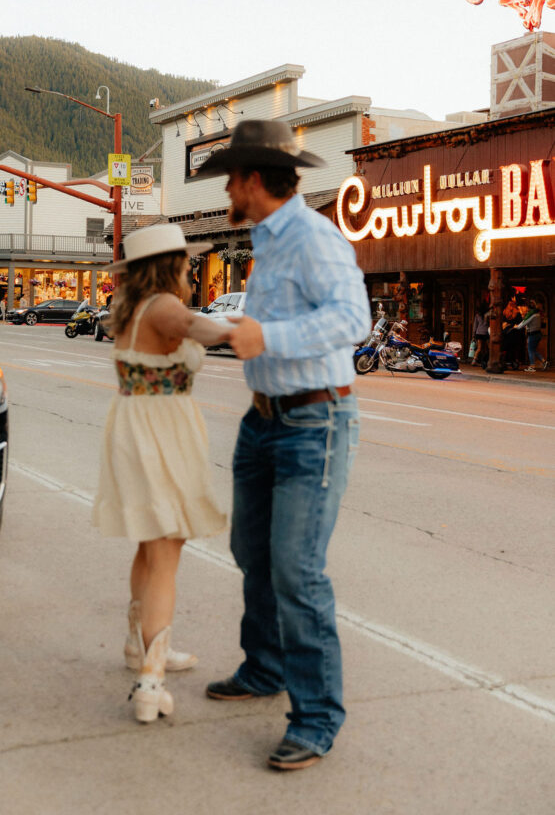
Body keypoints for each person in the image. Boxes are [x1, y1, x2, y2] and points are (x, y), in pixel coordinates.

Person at [196, 119, 371, 772]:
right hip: (264, 420)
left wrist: (266, 339)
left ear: (250, 179)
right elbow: (282, 318)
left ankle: (316, 717)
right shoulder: (267, 241)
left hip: (312, 424)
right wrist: (232, 329)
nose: (225, 193)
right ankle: (264, 668)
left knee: (296, 570)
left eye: (228, 181)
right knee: (251, 551)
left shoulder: (311, 236)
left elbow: (353, 320)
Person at [92, 225, 228, 724]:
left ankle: (140, 642)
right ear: (169, 267)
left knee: (150, 542)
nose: (191, 271)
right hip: (160, 434)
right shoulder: (164, 307)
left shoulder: (131, 308)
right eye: (187, 264)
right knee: (167, 546)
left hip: (136, 426)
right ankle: (151, 679)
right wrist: (242, 331)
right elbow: (203, 330)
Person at [516, 299, 548, 371]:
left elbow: (524, 323)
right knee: (533, 350)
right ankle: (544, 361)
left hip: (532, 334)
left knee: (530, 350)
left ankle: (532, 366)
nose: (527, 310)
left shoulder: (532, 315)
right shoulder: (538, 314)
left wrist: (517, 327)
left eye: (528, 308)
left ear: (530, 309)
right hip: (538, 334)